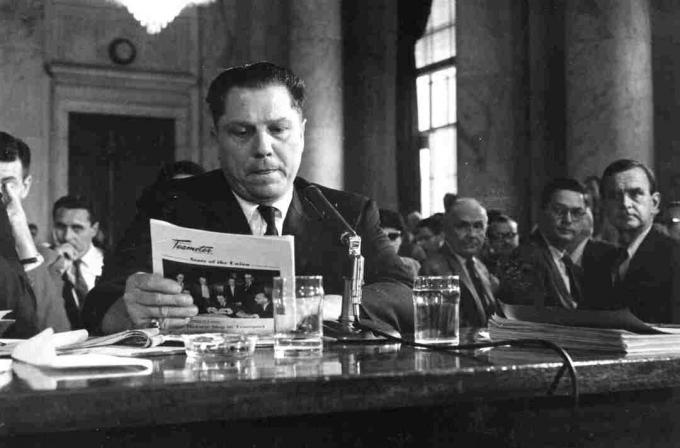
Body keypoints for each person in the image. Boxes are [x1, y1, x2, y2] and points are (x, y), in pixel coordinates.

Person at [83, 62, 414, 335]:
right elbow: (98, 304)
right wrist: (129, 310)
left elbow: (405, 295)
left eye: (278, 129)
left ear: (302, 132)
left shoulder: (350, 213)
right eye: (242, 132)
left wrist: (327, 305)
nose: (263, 148)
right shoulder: (170, 204)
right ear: (217, 138)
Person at [497, 178, 616, 310]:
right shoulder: (526, 258)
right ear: (541, 212)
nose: (568, 220)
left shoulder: (564, 260)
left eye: (576, 213)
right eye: (559, 211)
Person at [0, 131, 70, 332]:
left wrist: (21, 231)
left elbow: (58, 335)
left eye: (7, 184)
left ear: (25, 186)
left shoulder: (48, 261)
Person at [601, 159, 680, 323]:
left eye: (635, 193)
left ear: (655, 203)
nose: (625, 204)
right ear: (605, 206)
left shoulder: (674, 257)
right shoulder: (606, 260)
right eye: (614, 196)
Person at [420, 198, 497, 327]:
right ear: (446, 230)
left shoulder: (480, 267)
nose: (472, 234)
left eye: (478, 226)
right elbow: (441, 327)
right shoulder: (434, 269)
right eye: (462, 226)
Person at [52, 195, 104, 328]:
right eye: (60, 226)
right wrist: (54, 267)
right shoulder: (46, 265)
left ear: (94, 229)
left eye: (77, 228)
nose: (67, 237)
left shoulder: (112, 263)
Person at [378, 208, 421, 277]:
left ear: (401, 239)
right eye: (380, 238)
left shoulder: (412, 267)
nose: (387, 242)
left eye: (392, 236)